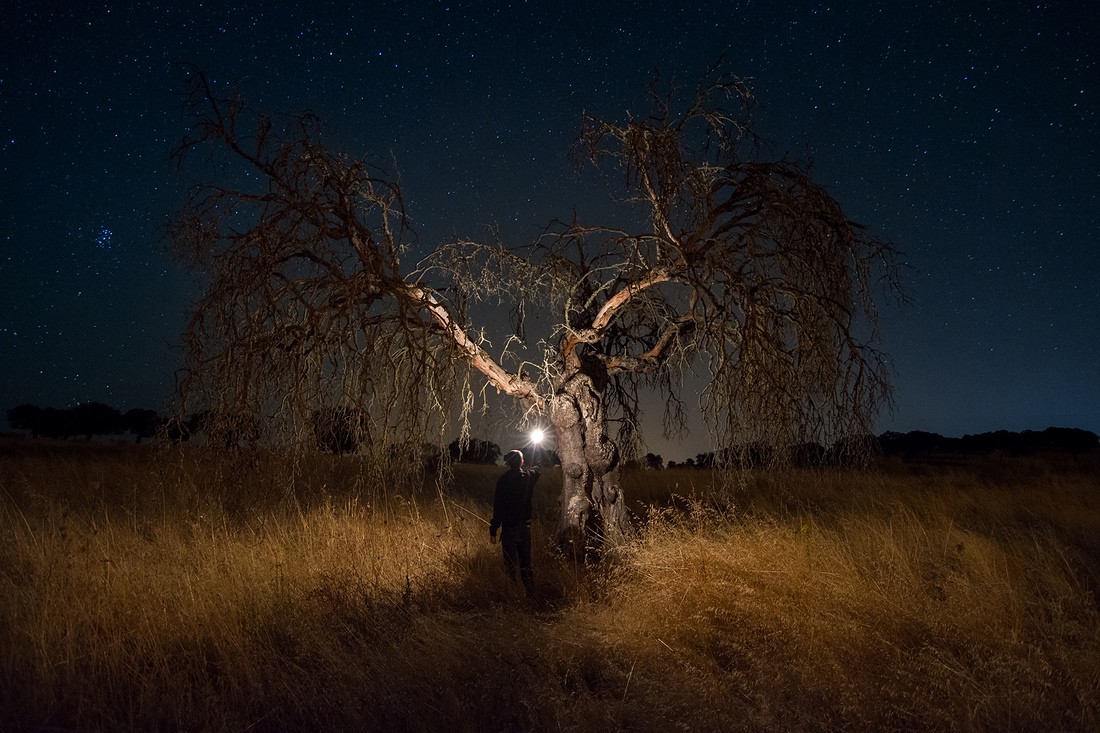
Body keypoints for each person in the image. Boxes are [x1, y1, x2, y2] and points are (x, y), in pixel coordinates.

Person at [489, 449, 541, 598]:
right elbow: (538, 467)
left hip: (508, 529)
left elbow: (498, 507)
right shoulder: (529, 477)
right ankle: (531, 596)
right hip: (524, 529)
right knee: (526, 566)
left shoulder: (503, 480)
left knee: (510, 566)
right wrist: (537, 448)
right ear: (522, 462)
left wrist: (493, 530)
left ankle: (513, 596)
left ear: (507, 462)